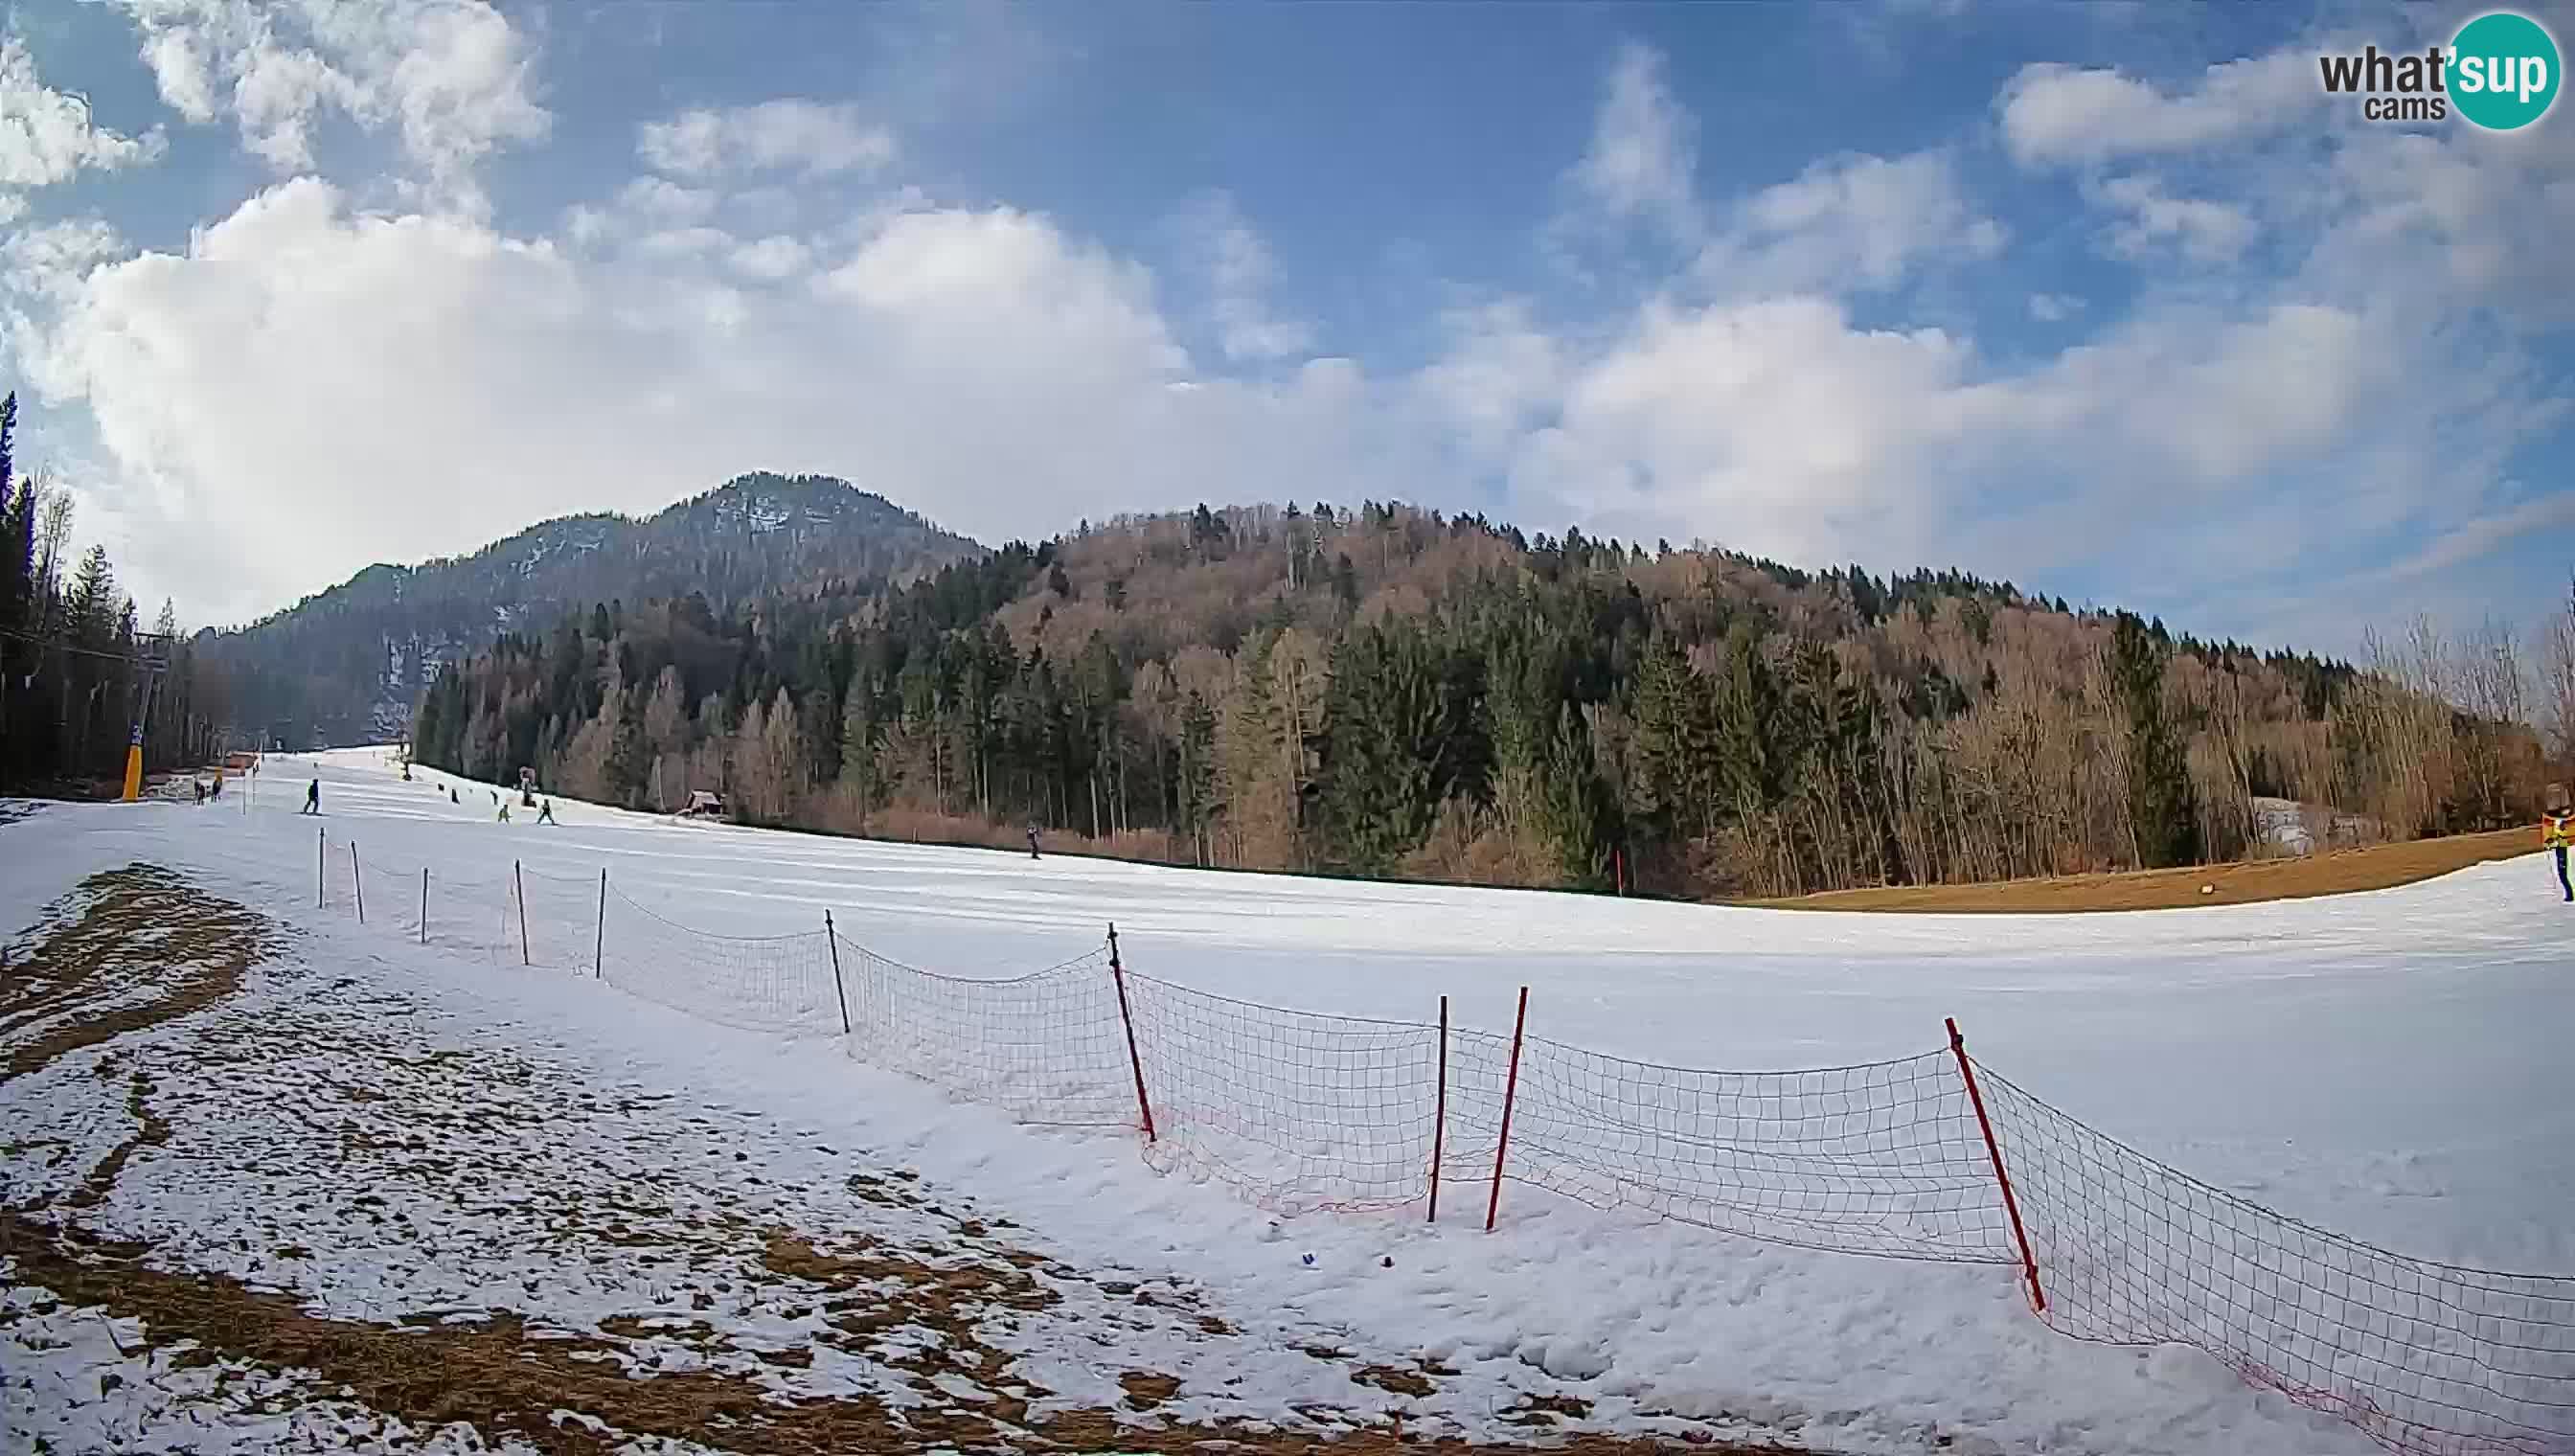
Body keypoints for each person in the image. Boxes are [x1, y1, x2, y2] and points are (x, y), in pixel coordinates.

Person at [2543, 787, 2572, 903]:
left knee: (2563, 875)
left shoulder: (2562, 823)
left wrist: (2552, 841)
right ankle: (2569, 894)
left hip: (2562, 849)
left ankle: (2570, 895)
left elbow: (2561, 837)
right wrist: (2550, 841)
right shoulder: (2558, 822)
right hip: (2559, 848)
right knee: (2562, 875)